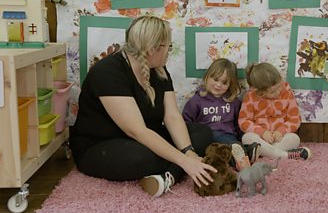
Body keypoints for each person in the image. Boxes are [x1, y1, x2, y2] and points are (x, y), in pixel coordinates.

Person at [69, 15, 217, 198]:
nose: (169, 52)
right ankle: (177, 170)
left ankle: (168, 177)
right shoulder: (108, 72)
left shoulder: (159, 70)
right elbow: (136, 131)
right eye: (167, 47)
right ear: (152, 49)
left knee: (202, 133)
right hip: (101, 145)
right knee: (142, 158)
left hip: (145, 135)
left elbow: (172, 116)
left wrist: (189, 152)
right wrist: (185, 161)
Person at [182, 58, 257, 170]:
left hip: (228, 138)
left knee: (225, 152)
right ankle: (245, 153)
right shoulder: (197, 100)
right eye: (215, 79)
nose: (218, 85)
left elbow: (239, 123)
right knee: (219, 148)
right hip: (206, 140)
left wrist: (242, 138)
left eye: (224, 82)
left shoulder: (233, 102)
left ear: (230, 84)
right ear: (207, 77)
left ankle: (242, 156)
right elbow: (186, 123)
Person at [238, 62, 311, 160]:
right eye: (272, 92)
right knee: (246, 138)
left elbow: (294, 119)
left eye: (279, 87)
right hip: (260, 138)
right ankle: (286, 155)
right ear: (259, 92)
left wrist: (281, 131)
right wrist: (262, 132)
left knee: (294, 138)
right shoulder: (250, 97)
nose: (278, 92)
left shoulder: (288, 94)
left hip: (280, 139)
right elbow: (244, 121)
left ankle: (264, 153)